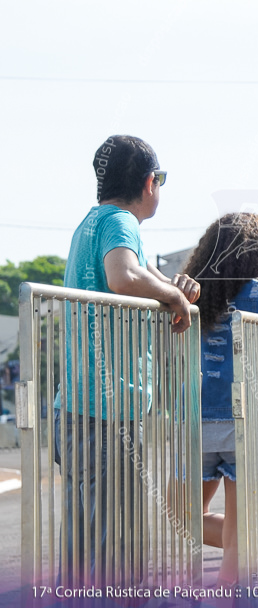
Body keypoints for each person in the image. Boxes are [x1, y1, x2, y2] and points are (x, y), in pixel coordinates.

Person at [58, 135, 200, 585]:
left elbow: (147, 275)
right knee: (121, 545)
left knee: (82, 547)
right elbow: (123, 276)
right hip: (109, 411)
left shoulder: (90, 222)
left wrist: (177, 289)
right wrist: (174, 295)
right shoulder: (122, 221)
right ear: (148, 182)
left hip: (75, 407)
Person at [182, 211, 258, 586]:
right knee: (238, 533)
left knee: (184, 516)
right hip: (249, 422)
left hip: (198, 419)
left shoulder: (192, 294)